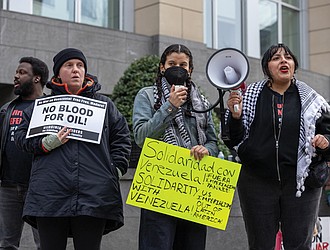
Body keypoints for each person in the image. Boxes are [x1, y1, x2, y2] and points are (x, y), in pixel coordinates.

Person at [14, 48, 131, 250]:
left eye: (80, 65)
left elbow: (122, 138)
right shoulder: (40, 105)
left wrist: (115, 170)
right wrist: (46, 143)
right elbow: (21, 137)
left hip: (94, 196)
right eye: (69, 65)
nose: (76, 70)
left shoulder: (105, 105)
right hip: (49, 195)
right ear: (58, 73)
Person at [224, 43, 330, 250]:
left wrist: (325, 142)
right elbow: (232, 140)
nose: (283, 60)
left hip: (301, 185)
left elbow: (328, 134)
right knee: (260, 244)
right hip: (257, 183)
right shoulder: (249, 97)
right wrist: (235, 117)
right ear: (267, 68)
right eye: (276, 58)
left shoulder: (313, 101)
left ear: (294, 66)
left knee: (299, 245)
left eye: (288, 57)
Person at [132, 44, 219, 250]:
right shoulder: (147, 96)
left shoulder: (201, 102)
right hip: (159, 188)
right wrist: (169, 106)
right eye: (172, 64)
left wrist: (206, 149)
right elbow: (141, 137)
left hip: (193, 187)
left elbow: (213, 142)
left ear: (190, 70)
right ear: (162, 67)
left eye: (183, 64)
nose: (177, 68)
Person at [0, 56, 49, 249]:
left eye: (22, 72)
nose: (16, 76)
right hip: (8, 187)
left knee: (45, 244)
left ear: (36, 78)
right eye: (16, 72)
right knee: (6, 244)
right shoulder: (6, 110)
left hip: (40, 187)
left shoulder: (51, 108)